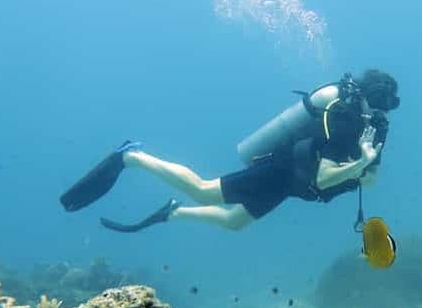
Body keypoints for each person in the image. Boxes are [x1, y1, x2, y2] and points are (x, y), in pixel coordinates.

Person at [59, 69, 400, 232]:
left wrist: (371, 158)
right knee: (204, 190)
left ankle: (173, 212)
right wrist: (361, 163)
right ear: (370, 96)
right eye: (382, 103)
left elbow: (367, 182)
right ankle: (131, 157)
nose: (383, 112)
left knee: (234, 222)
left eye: (388, 107)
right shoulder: (344, 116)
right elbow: (326, 178)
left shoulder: (366, 127)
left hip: (290, 185)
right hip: (280, 171)